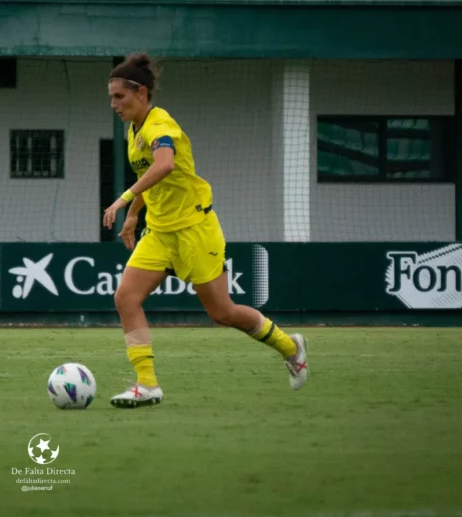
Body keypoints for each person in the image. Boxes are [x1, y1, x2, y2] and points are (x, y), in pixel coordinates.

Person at [102, 53, 308, 408]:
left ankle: (291, 347)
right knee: (125, 298)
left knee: (222, 312)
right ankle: (147, 384)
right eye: (111, 97)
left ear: (141, 92)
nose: (113, 104)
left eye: (119, 96)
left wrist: (124, 199)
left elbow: (164, 165)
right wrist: (136, 213)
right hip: (161, 232)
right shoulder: (134, 131)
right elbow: (148, 178)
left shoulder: (159, 125)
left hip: (195, 229)